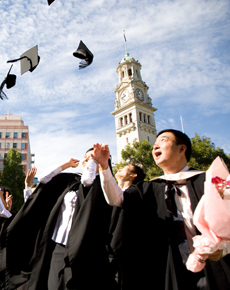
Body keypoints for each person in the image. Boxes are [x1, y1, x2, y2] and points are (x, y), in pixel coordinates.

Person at [92, 130, 230, 290]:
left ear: (182, 148)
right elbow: (115, 199)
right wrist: (104, 167)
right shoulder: (147, 188)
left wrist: (224, 249)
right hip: (169, 270)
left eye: (163, 140)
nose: (155, 146)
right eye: (154, 143)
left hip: (215, 266)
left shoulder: (215, 180)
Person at [3, 149, 118, 290]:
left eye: (94, 159)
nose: (88, 161)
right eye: (86, 158)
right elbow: (44, 180)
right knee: (52, 285)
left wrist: (101, 169)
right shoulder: (71, 181)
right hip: (58, 247)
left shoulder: (106, 186)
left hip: (86, 253)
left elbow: (94, 187)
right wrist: (66, 165)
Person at [106, 164, 146, 287]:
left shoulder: (137, 193)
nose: (120, 168)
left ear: (133, 175)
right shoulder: (109, 194)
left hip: (123, 253)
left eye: (125, 167)